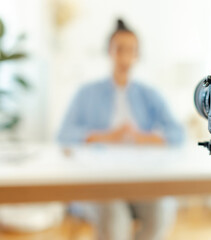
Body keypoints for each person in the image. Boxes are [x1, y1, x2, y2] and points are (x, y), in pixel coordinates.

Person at [57, 19, 184, 240]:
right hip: (100, 179)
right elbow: (63, 134)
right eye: (119, 49)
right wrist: (107, 136)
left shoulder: (148, 94)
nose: (125, 56)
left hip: (141, 177)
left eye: (131, 50)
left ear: (137, 55)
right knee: (115, 221)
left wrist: (143, 138)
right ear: (109, 51)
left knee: (160, 213)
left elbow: (178, 133)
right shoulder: (86, 93)